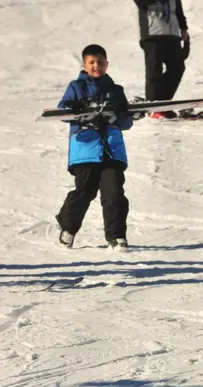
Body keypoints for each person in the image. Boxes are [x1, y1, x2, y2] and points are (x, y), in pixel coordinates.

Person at [55, 45, 134, 251]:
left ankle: (116, 236)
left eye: (100, 61)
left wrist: (117, 117)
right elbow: (63, 111)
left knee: (114, 192)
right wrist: (77, 110)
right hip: (86, 149)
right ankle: (68, 226)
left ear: (107, 64)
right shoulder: (76, 87)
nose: (96, 66)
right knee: (85, 191)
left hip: (111, 150)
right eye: (92, 62)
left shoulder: (116, 91)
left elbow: (126, 122)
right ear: (84, 65)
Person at [134, 0, 189, 119]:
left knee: (178, 68)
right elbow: (141, 3)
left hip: (172, 34)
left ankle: (162, 104)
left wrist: (183, 28)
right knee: (154, 71)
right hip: (152, 33)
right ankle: (154, 108)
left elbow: (178, 11)